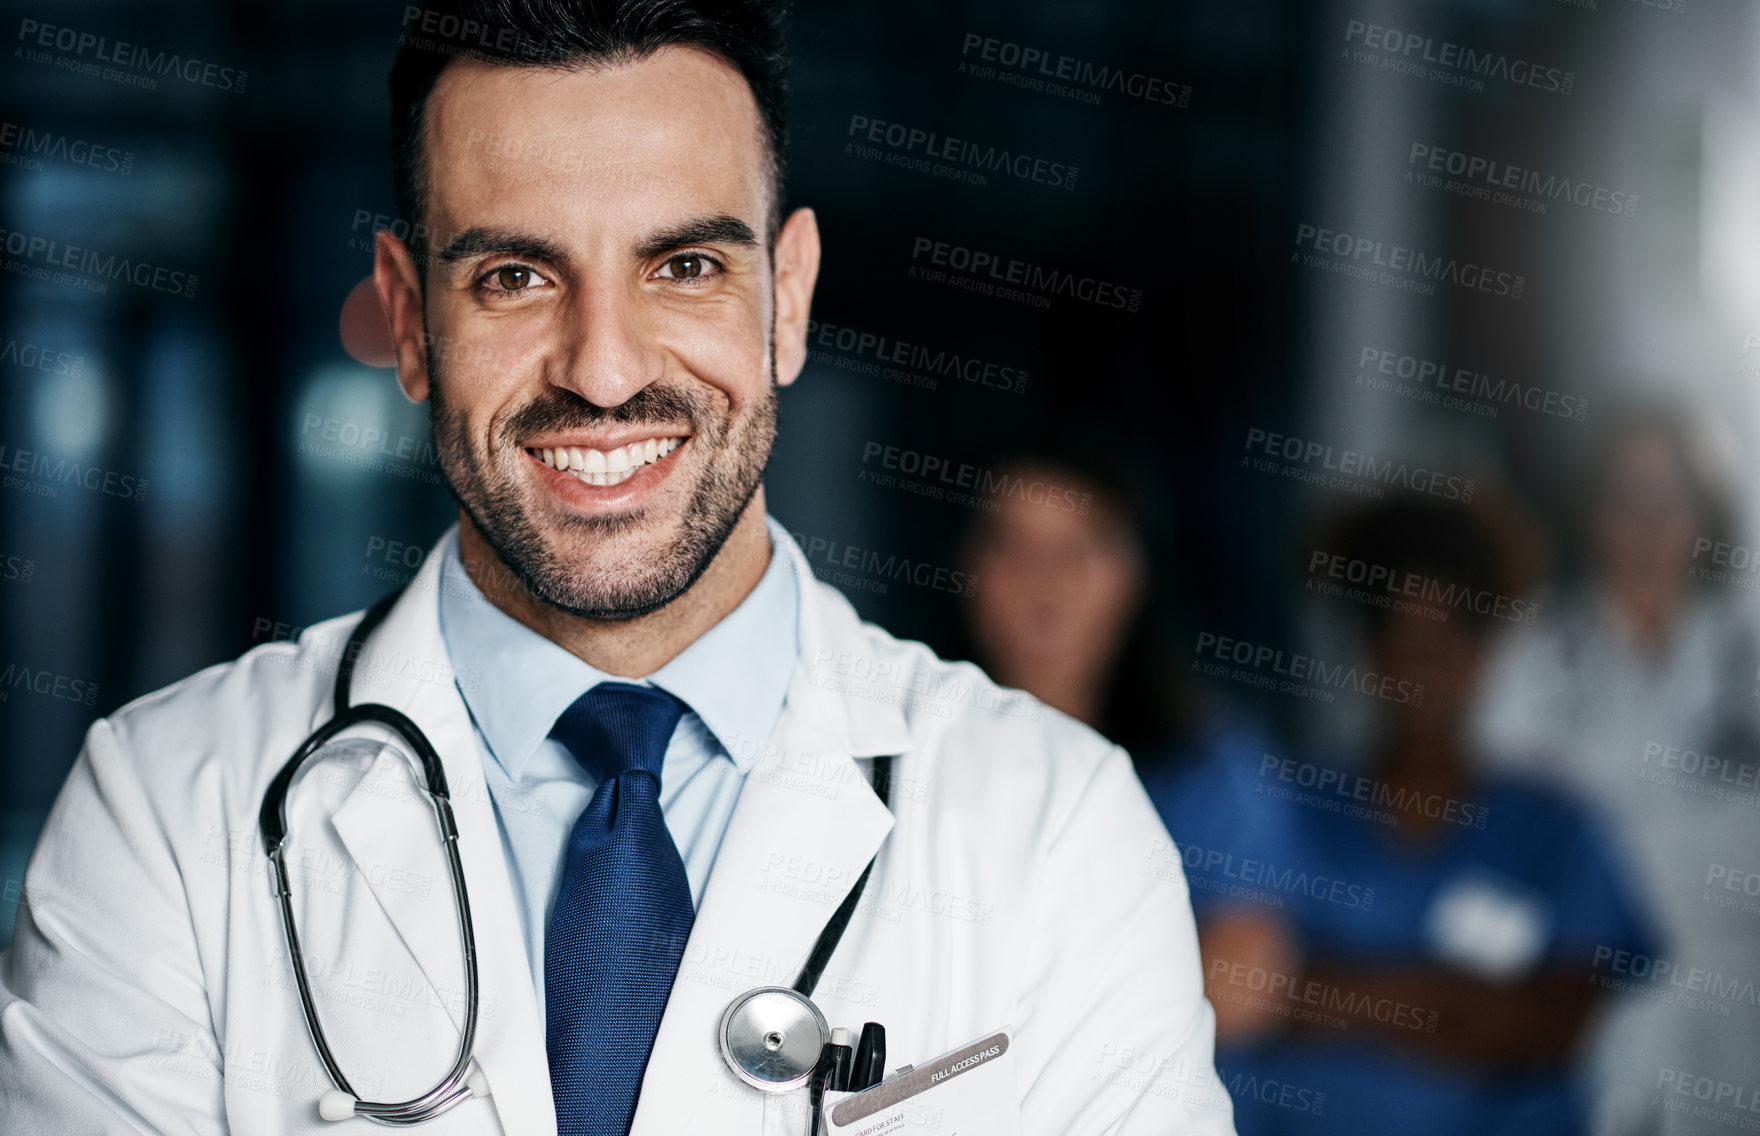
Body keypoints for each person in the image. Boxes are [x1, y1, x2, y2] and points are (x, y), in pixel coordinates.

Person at [0, 4, 1230, 1134]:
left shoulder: (1059, 831)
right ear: (409, 320)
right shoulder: (166, 810)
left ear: (786, 299)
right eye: (515, 277)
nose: (599, 369)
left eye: (683, 266)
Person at [1224, 495, 1654, 1136]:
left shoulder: (1557, 829)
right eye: (1401, 633)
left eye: (1451, 635)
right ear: (1366, 651)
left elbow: (1550, 1024)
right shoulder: (1281, 801)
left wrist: (1322, 990)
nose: (1425, 665)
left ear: (1487, 653)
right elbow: (1230, 992)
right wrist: (1460, 1002)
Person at [1471, 412, 1760, 1136]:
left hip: (1730, 1030)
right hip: (1576, 1028)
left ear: (1705, 515)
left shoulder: (1746, 666)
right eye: (1625, 497)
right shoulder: (1532, 660)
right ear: (1592, 513)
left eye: (1670, 497)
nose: (1648, 523)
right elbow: (1490, 845)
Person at [956, 449, 1297, 1052]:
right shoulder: (909, 735)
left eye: (1078, 550)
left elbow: (1245, 986)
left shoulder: (1207, 762)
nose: (1045, 581)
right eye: (1014, 546)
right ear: (968, 567)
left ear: (1135, 572)